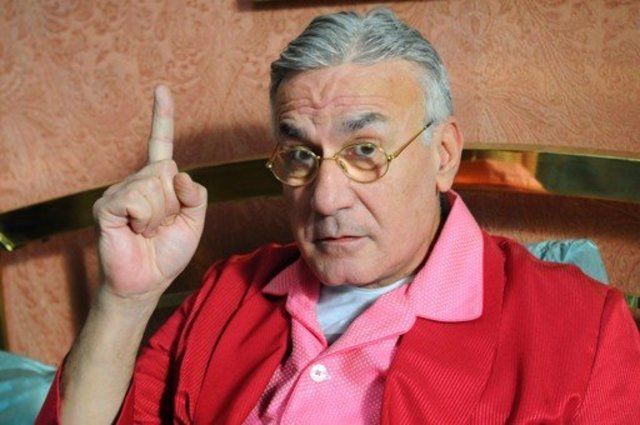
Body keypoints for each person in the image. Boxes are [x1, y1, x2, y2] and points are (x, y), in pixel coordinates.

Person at [37, 8, 640, 424]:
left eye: (365, 151)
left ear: (443, 155)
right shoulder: (227, 297)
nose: (326, 198)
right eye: (301, 155)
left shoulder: (580, 329)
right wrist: (124, 300)